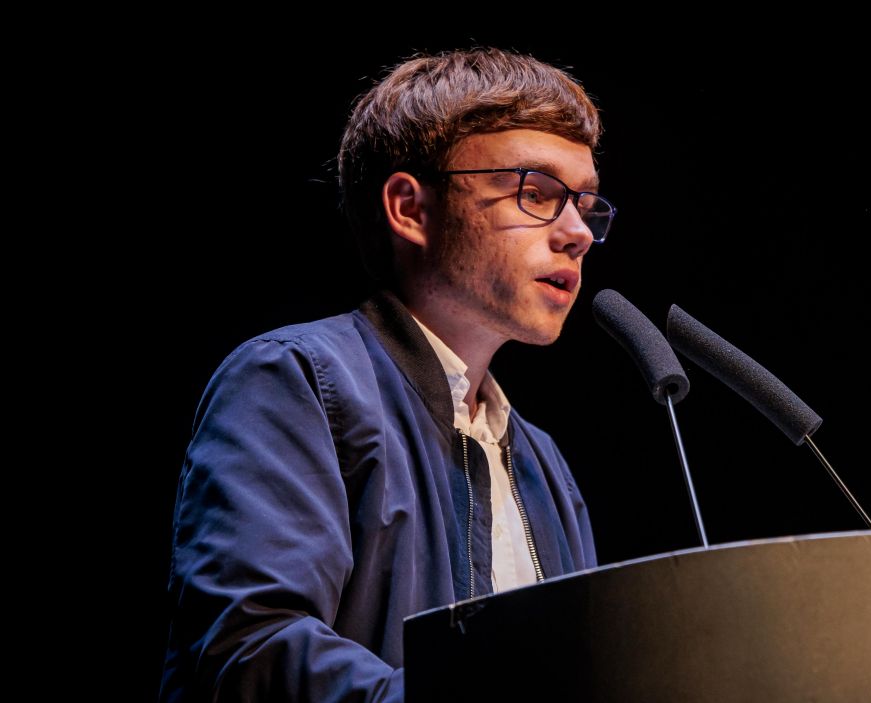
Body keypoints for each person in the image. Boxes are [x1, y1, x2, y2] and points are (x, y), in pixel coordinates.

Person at [159, 47, 611, 702]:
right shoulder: (295, 383)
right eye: (536, 193)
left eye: (587, 204)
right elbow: (247, 648)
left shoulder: (545, 463)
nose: (578, 232)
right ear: (410, 208)